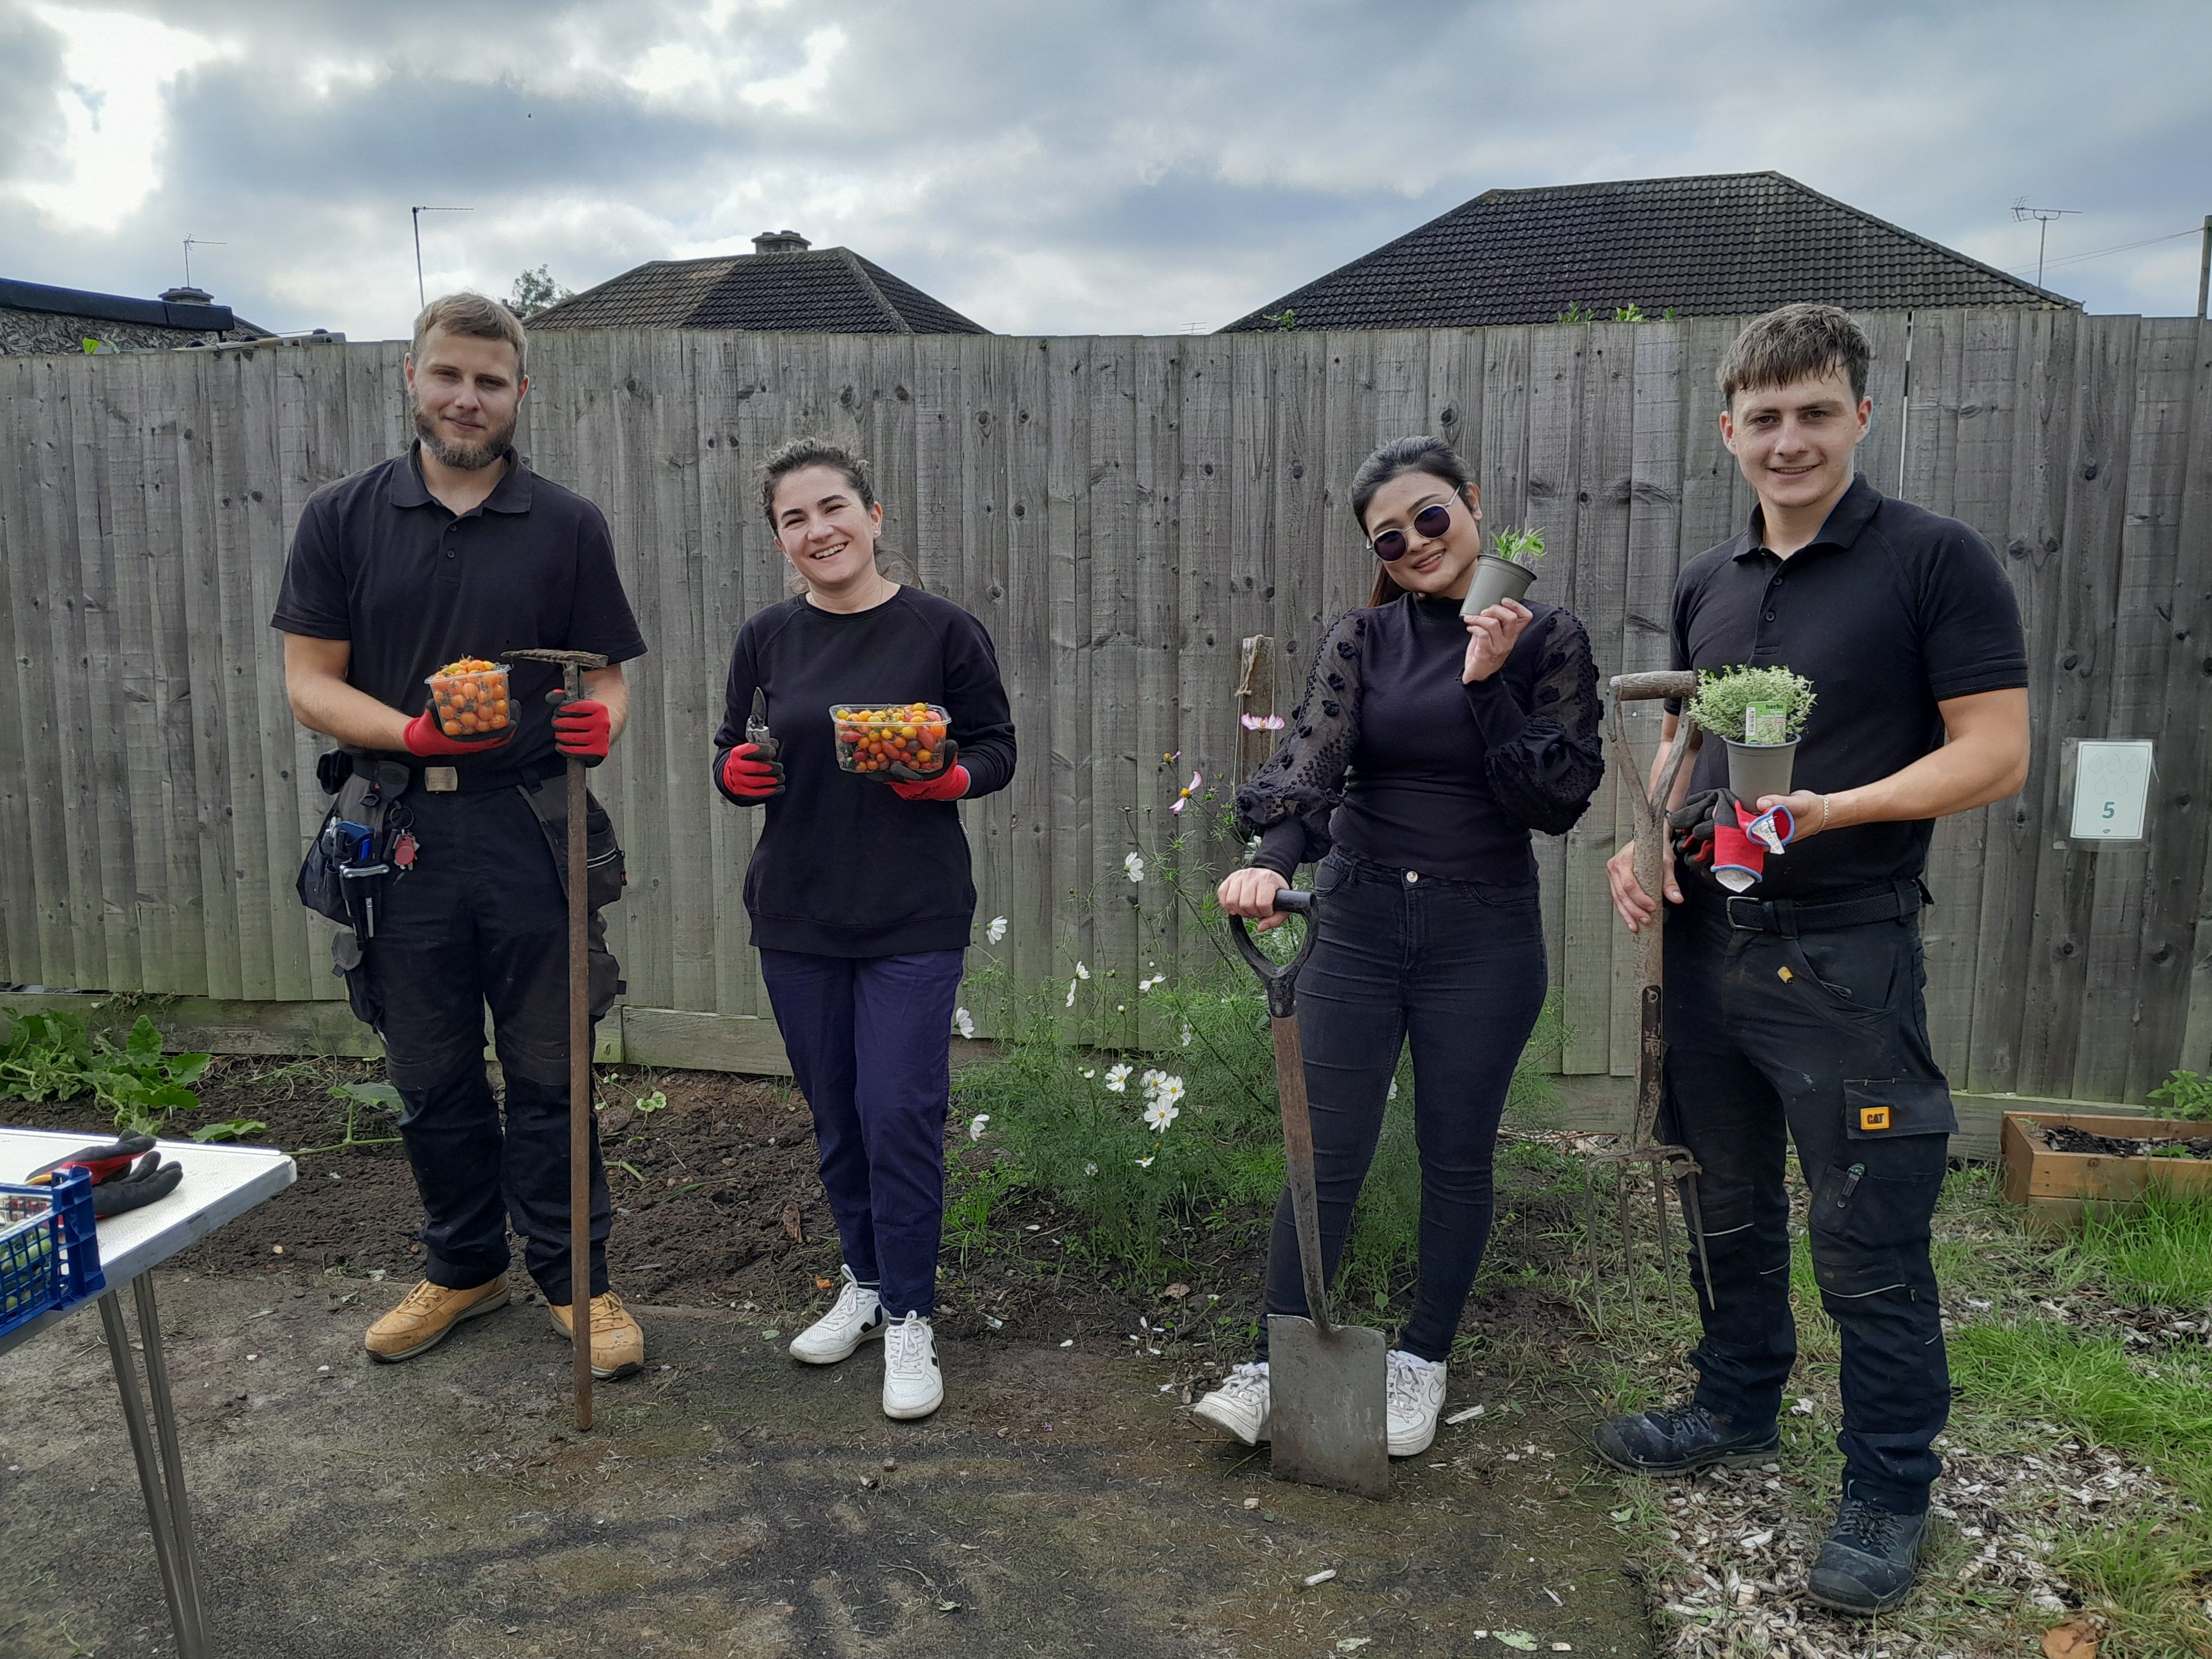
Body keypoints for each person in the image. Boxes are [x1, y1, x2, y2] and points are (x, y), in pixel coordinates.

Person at [1595, 305, 2029, 1616]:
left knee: (1869, 1236)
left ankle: (1890, 1492)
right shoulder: (1711, 580)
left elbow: (1995, 749)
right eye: (1765, 419)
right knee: (1722, 1201)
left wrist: (1837, 811)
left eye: (1815, 413)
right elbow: (1687, 743)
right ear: (1730, 432)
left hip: (1846, 962)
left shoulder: (1934, 562)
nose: (1790, 441)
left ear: (1860, 417)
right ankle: (1735, 1405)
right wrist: (1643, 840)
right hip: (1709, 950)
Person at [1192, 435, 1604, 1458]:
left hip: (1484, 930)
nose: (1418, 541)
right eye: (1393, 534)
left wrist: (1486, 680)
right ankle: (1275, 1357)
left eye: (1432, 517)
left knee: (1455, 1155)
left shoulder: (1549, 636)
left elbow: (1552, 799)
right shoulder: (1364, 640)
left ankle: (1422, 1361)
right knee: (1322, 1153)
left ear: (1471, 503)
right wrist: (1272, 858)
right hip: (1360, 918)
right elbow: (1313, 769)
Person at [273, 292, 649, 1379]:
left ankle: (579, 1284)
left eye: (491, 381)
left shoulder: (568, 524)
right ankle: (462, 1268)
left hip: (533, 827)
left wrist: (599, 723)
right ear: (413, 379)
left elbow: (606, 676)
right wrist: (412, 730)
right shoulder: (342, 518)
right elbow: (308, 684)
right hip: (396, 834)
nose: (468, 398)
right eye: (450, 375)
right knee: (430, 1072)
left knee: (550, 1068)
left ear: (519, 394)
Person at [712, 437, 1016, 1422]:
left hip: (912, 914)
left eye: (833, 508)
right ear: (779, 541)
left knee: (899, 1113)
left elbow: (996, 747)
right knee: (836, 1112)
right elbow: (735, 748)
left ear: (874, 517)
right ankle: (867, 1283)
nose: (819, 530)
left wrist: (950, 777)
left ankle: (915, 1317)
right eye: (795, 519)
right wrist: (735, 775)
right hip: (797, 911)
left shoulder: (942, 630)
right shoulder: (766, 639)